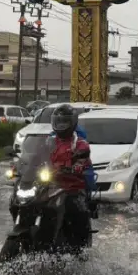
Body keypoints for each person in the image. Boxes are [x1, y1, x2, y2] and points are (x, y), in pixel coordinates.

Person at [47, 104, 97, 243]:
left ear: (73, 122)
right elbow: (35, 155)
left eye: (65, 121)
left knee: (77, 209)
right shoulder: (48, 140)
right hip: (49, 185)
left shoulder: (80, 143)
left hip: (72, 186)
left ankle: (80, 246)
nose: (61, 125)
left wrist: (74, 168)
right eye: (59, 121)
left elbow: (82, 160)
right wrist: (20, 165)